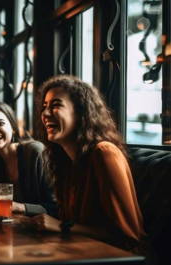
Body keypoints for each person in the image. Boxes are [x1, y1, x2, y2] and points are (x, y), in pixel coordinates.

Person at [34, 74, 144, 249]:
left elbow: (128, 236)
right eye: (44, 106)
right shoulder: (65, 162)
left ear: (80, 112)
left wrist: (62, 226)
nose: (45, 114)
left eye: (55, 105)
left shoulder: (104, 153)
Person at [0, 101, 56, 216]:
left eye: (0, 123)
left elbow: (57, 207)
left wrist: (20, 207)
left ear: (13, 128)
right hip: (14, 226)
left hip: (44, 230)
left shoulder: (35, 152)